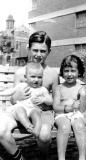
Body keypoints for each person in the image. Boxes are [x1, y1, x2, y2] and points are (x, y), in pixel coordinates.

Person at [0, 31, 59, 160]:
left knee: (44, 136)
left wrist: (48, 100)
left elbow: (56, 101)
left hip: (42, 113)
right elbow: (13, 100)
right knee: (0, 128)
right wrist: (16, 96)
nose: (38, 55)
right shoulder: (21, 73)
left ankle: (43, 156)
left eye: (43, 51)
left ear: (49, 51)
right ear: (28, 49)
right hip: (21, 113)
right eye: (35, 50)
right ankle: (20, 157)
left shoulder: (52, 74)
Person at [0, 62, 52, 136]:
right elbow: (11, 91)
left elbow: (50, 101)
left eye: (39, 77)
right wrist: (1, 93)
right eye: (33, 77)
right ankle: (28, 126)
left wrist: (44, 99)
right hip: (22, 108)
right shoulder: (22, 86)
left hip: (33, 109)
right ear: (25, 77)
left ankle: (36, 131)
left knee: (36, 114)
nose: (36, 80)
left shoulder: (42, 89)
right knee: (19, 109)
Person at [53, 55, 86, 160]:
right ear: (62, 72)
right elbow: (55, 107)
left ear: (79, 72)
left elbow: (82, 109)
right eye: (66, 70)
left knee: (80, 126)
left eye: (73, 70)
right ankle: (61, 158)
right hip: (61, 114)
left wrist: (83, 96)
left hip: (76, 114)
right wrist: (68, 108)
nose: (69, 74)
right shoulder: (59, 88)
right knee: (64, 127)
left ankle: (82, 157)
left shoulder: (81, 88)